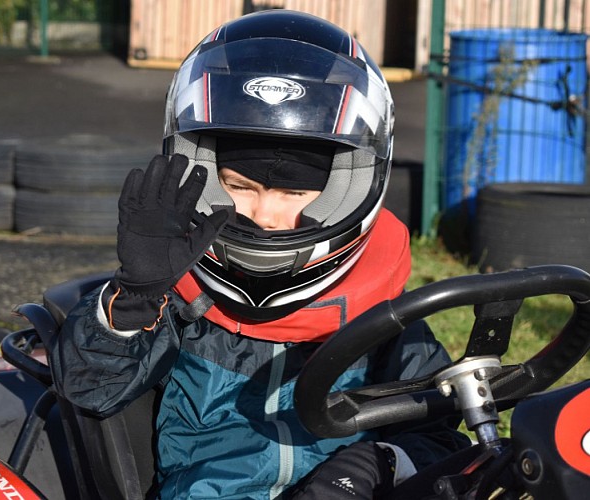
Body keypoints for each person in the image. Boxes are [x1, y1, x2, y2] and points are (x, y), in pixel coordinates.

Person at [50, 9, 470, 499]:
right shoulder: (183, 301)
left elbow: (438, 434)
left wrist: (367, 466)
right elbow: (91, 389)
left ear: (348, 187)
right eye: (239, 186)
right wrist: (135, 296)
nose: (267, 215)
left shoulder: (381, 315)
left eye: (295, 194)